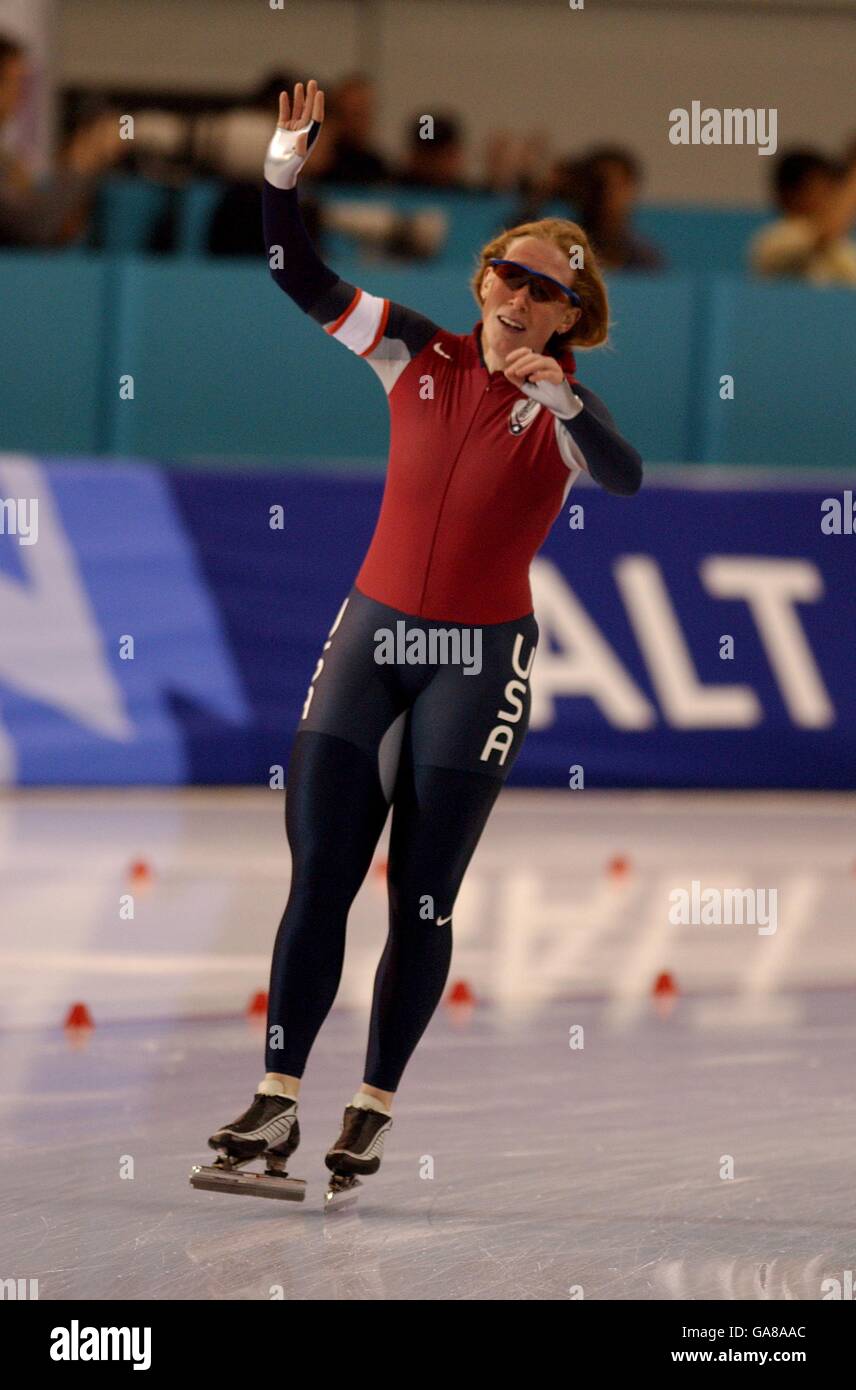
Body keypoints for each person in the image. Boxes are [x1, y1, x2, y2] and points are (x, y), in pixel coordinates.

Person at [202, 80, 642, 1205]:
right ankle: (277, 1098)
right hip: (371, 634)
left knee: (422, 896)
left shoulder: (560, 406)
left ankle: (372, 1106)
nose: (516, 294)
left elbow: (629, 478)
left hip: (477, 661)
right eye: (507, 272)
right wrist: (284, 169)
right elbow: (294, 273)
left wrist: (570, 406)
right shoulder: (413, 351)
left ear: (566, 319)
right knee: (320, 882)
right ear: (482, 279)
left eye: (544, 290)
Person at [0, 32, 123, 248]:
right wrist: (80, 163)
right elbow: (31, 226)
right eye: (16, 82)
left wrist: (73, 179)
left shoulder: (8, 162)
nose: (21, 96)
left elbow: (55, 229)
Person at [750, 147, 856, 287]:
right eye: (819, 189)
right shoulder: (773, 242)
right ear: (789, 194)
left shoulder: (843, 248)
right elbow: (825, 235)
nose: (829, 198)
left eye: (831, 189)